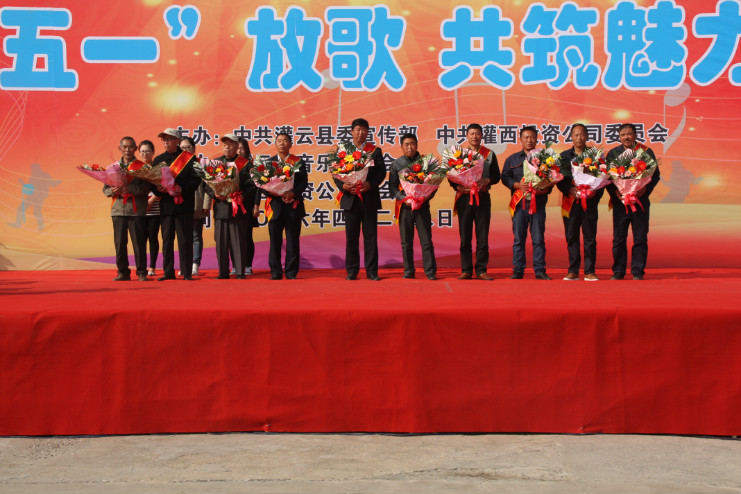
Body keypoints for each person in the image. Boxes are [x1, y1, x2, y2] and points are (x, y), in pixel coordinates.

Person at [606, 123, 660, 280]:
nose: (626, 137)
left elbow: (655, 175)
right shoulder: (613, 153)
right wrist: (615, 192)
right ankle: (618, 270)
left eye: (629, 134)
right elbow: (606, 177)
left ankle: (637, 270)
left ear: (635, 135)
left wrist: (645, 190)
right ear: (619, 137)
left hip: (639, 201)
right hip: (620, 203)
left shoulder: (645, 152)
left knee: (640, 237)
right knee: (619, 238)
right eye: (623, 134)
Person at [333, 118, 386, 281]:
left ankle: (372, 272)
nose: (360, 133)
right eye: (357, 129)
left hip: (369, 198)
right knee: (351, 237)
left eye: (363, 130)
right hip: (350, 198)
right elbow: (335, 173)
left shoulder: (375, 151)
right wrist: (343, 186)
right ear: (352, 131)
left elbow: (381, 172)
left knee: (371, 237)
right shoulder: (342, 151)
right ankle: (352, 270)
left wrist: (370, 184)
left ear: (367, 132)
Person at [501, 126, 553, 280]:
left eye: (532, 137)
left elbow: (551, 178)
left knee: (538, 239)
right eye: (526, 137)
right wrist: (516, 185)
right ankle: (518, 270)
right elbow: (505, 176)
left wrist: (545, 189)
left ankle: (540, 270)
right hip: (519, 204)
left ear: (537, 139)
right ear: (520, 140)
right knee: (519, 239)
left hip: (538, 204)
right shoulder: (512, 159)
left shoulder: (545, 159)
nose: (529, 140)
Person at [449, 123, 501, 280]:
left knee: (482, 236)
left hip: (482, 197)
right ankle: (466, 270)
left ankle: (481, 270)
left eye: (477, 133)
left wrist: (487, 180)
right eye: (471, 134)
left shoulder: (489, 154)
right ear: (467, 136)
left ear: (482, 135)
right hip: (464, 198)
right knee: (465, 236)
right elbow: (451, 177)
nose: (474, 136)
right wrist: (458, 186)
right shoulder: (458, 155)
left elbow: (496, 176)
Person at [253, 132, 307, 280]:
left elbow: (303, 182)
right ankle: (275, 271)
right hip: (275, 206)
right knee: (274, 241)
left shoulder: (298, 162)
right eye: (279, 141)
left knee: (292, 241)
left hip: (293, 205)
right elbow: (261, 185)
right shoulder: (268, 163)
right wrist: (269, 194)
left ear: (290, 144)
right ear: (275, 144)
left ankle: (291, 272)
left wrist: (293, 193)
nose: (282, 143)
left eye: (285, 140)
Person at [152, 128, 201, 281]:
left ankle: (186, 272)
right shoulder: (158, 159)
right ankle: (168, 272)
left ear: (177, 140)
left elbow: (195, 180)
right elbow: (152, 181)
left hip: (184, 205)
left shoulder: (189, 158)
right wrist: (158, 190)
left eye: (169, 139)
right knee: (167, 240)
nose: (166, 142)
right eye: (164, 139)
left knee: (185, 240)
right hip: (166, 206)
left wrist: (182, 189)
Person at [388, 133, 437, 280]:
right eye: (406, 144)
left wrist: (427, 196)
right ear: (402, 147)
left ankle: (430, 272)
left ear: (417, 145)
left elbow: (433, 184)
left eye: (412, 144)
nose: (410, 147)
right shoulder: (396, 164)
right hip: (405, 208)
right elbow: (392, 187)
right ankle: (409, 271)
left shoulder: (425, 162)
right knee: (406, 243)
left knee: (426, 241)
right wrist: (404, 199)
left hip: (422, 206)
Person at [558, 124, 603, 281]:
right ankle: (573, 270)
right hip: (570, 202)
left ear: (587, 136)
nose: (579, 137)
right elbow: (559, 179)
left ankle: (590, 271)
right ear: (571, 137)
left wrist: (595, 192)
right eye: (576, 135)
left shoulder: (595, 156)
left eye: (582, 134)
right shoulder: (564, 156)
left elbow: (602, 177)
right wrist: (569, 189)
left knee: (590, 237)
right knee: (571, 236)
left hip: (589, 202)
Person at [103, 136, 149, 281]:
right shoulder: (113, 168)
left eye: (130, 147)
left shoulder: (142, 167)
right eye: (124, 147)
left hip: (136, 210)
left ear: (135, 148)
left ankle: (141, 272)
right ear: (120, 148)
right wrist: (113, 191)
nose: (127, 150)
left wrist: (130, 189)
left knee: (139, 243)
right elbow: (105, 189)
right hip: (118, 210)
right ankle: (122, 272)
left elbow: (147, 188)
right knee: (119, 243)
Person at [207, 133, 252, 279]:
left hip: (237, 207)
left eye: (230, 144)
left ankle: (240, 271)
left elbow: (252, 185)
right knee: (221, 241)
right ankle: (223, 272)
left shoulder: (245, 163)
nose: (227, 147)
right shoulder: (215, 163)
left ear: (236, 146)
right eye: (224, 144)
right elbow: (206, 184)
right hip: (221, 208)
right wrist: (215, 194)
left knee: (238, 241)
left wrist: (242, 196)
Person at [179, 137, 211, 277]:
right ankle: (185, 265)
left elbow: (209, 185)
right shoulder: (177, 165)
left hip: (197, 204)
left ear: (194, 149)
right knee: (183, 237)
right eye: (182, 148)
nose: (185, 150)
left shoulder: (200, 164)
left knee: (196, 236)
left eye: (188, 147)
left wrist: (206, 204)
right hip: (181, 205)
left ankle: (195, 265)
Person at [235, 137, 257, 276]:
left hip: (247, 204)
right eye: (237, 148)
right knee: (233, 237)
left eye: (242, 148)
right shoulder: (228, 165)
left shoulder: (250, 165)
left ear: (247, 150)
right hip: (233, 205)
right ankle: (236, 265)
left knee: (247, 236)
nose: (239, 151)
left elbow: (256, 187)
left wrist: (256, 205)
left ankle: (248, 265)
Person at [139, 140, 160, 276]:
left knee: (153, 238)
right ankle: (142, 267)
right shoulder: (136, 168)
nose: (145, 154)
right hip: (140, 209)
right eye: (142, 151)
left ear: (153, 152)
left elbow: (163, 186)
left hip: (155, 209)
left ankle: (152, 267)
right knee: (140, 240)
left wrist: (151, 201)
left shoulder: (158, 168)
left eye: (148, 151)